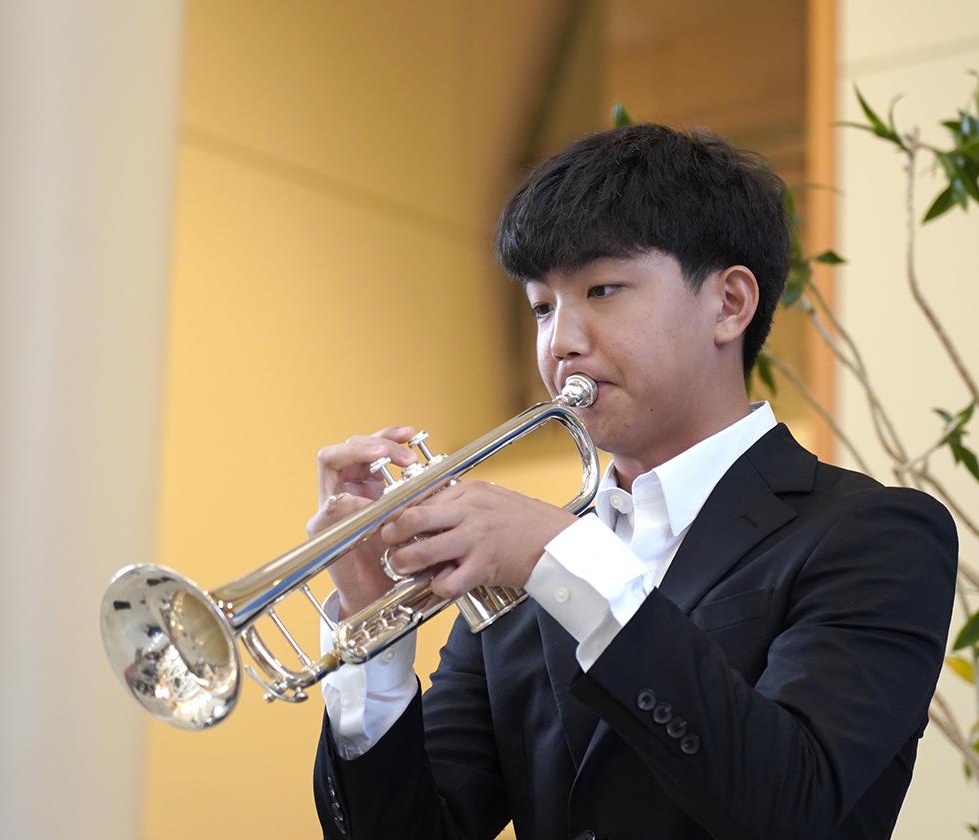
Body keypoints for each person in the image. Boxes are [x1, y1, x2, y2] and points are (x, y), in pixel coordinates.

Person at [306, 124, 957, 840]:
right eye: (542, 307)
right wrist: (372, 631)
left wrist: (564, 561)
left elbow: (792, 807)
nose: (561, 344)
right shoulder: (522, 572)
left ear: (730, 304)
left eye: (603, 289)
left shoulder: (875, 534)